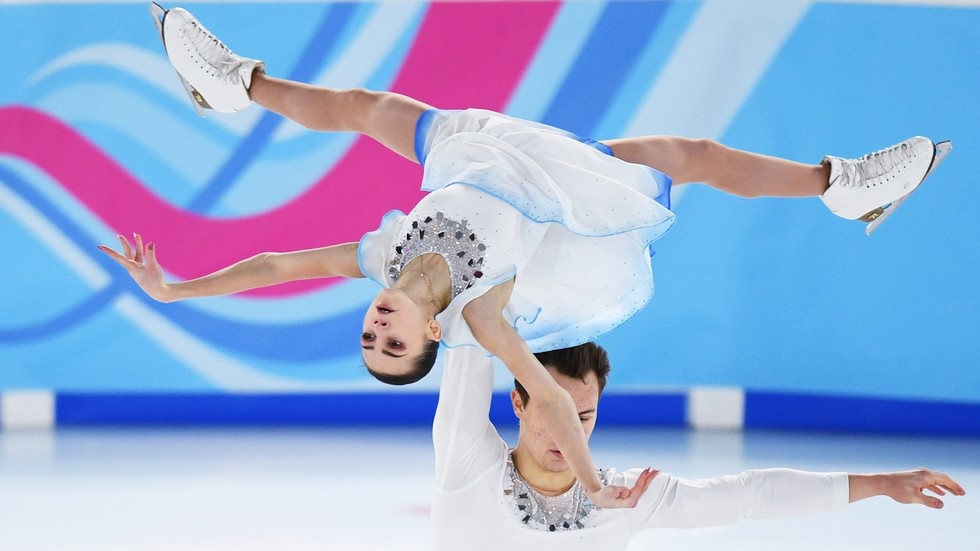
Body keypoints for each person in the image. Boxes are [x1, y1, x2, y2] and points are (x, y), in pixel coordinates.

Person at [99, 5, 949, 508]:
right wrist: (591, 482)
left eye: (368, 338)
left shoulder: (384, 254)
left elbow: (279, 266)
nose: (381, 328)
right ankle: (843, 187)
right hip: (533, 185)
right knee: (682, 156)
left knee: (362, 106)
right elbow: (542, 388)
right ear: (434, 338)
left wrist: (176, 290)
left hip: (472, 152)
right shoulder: (479, 308)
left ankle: (232, 84)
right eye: (397, 347)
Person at [430, 344, 965, 549]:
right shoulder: (467, 462)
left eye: (584, 416)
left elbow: (749, 495)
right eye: (551, 412)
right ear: (519, 404)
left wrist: (879, 484)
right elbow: (471, 337)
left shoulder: (627, 496)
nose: (568, 434)